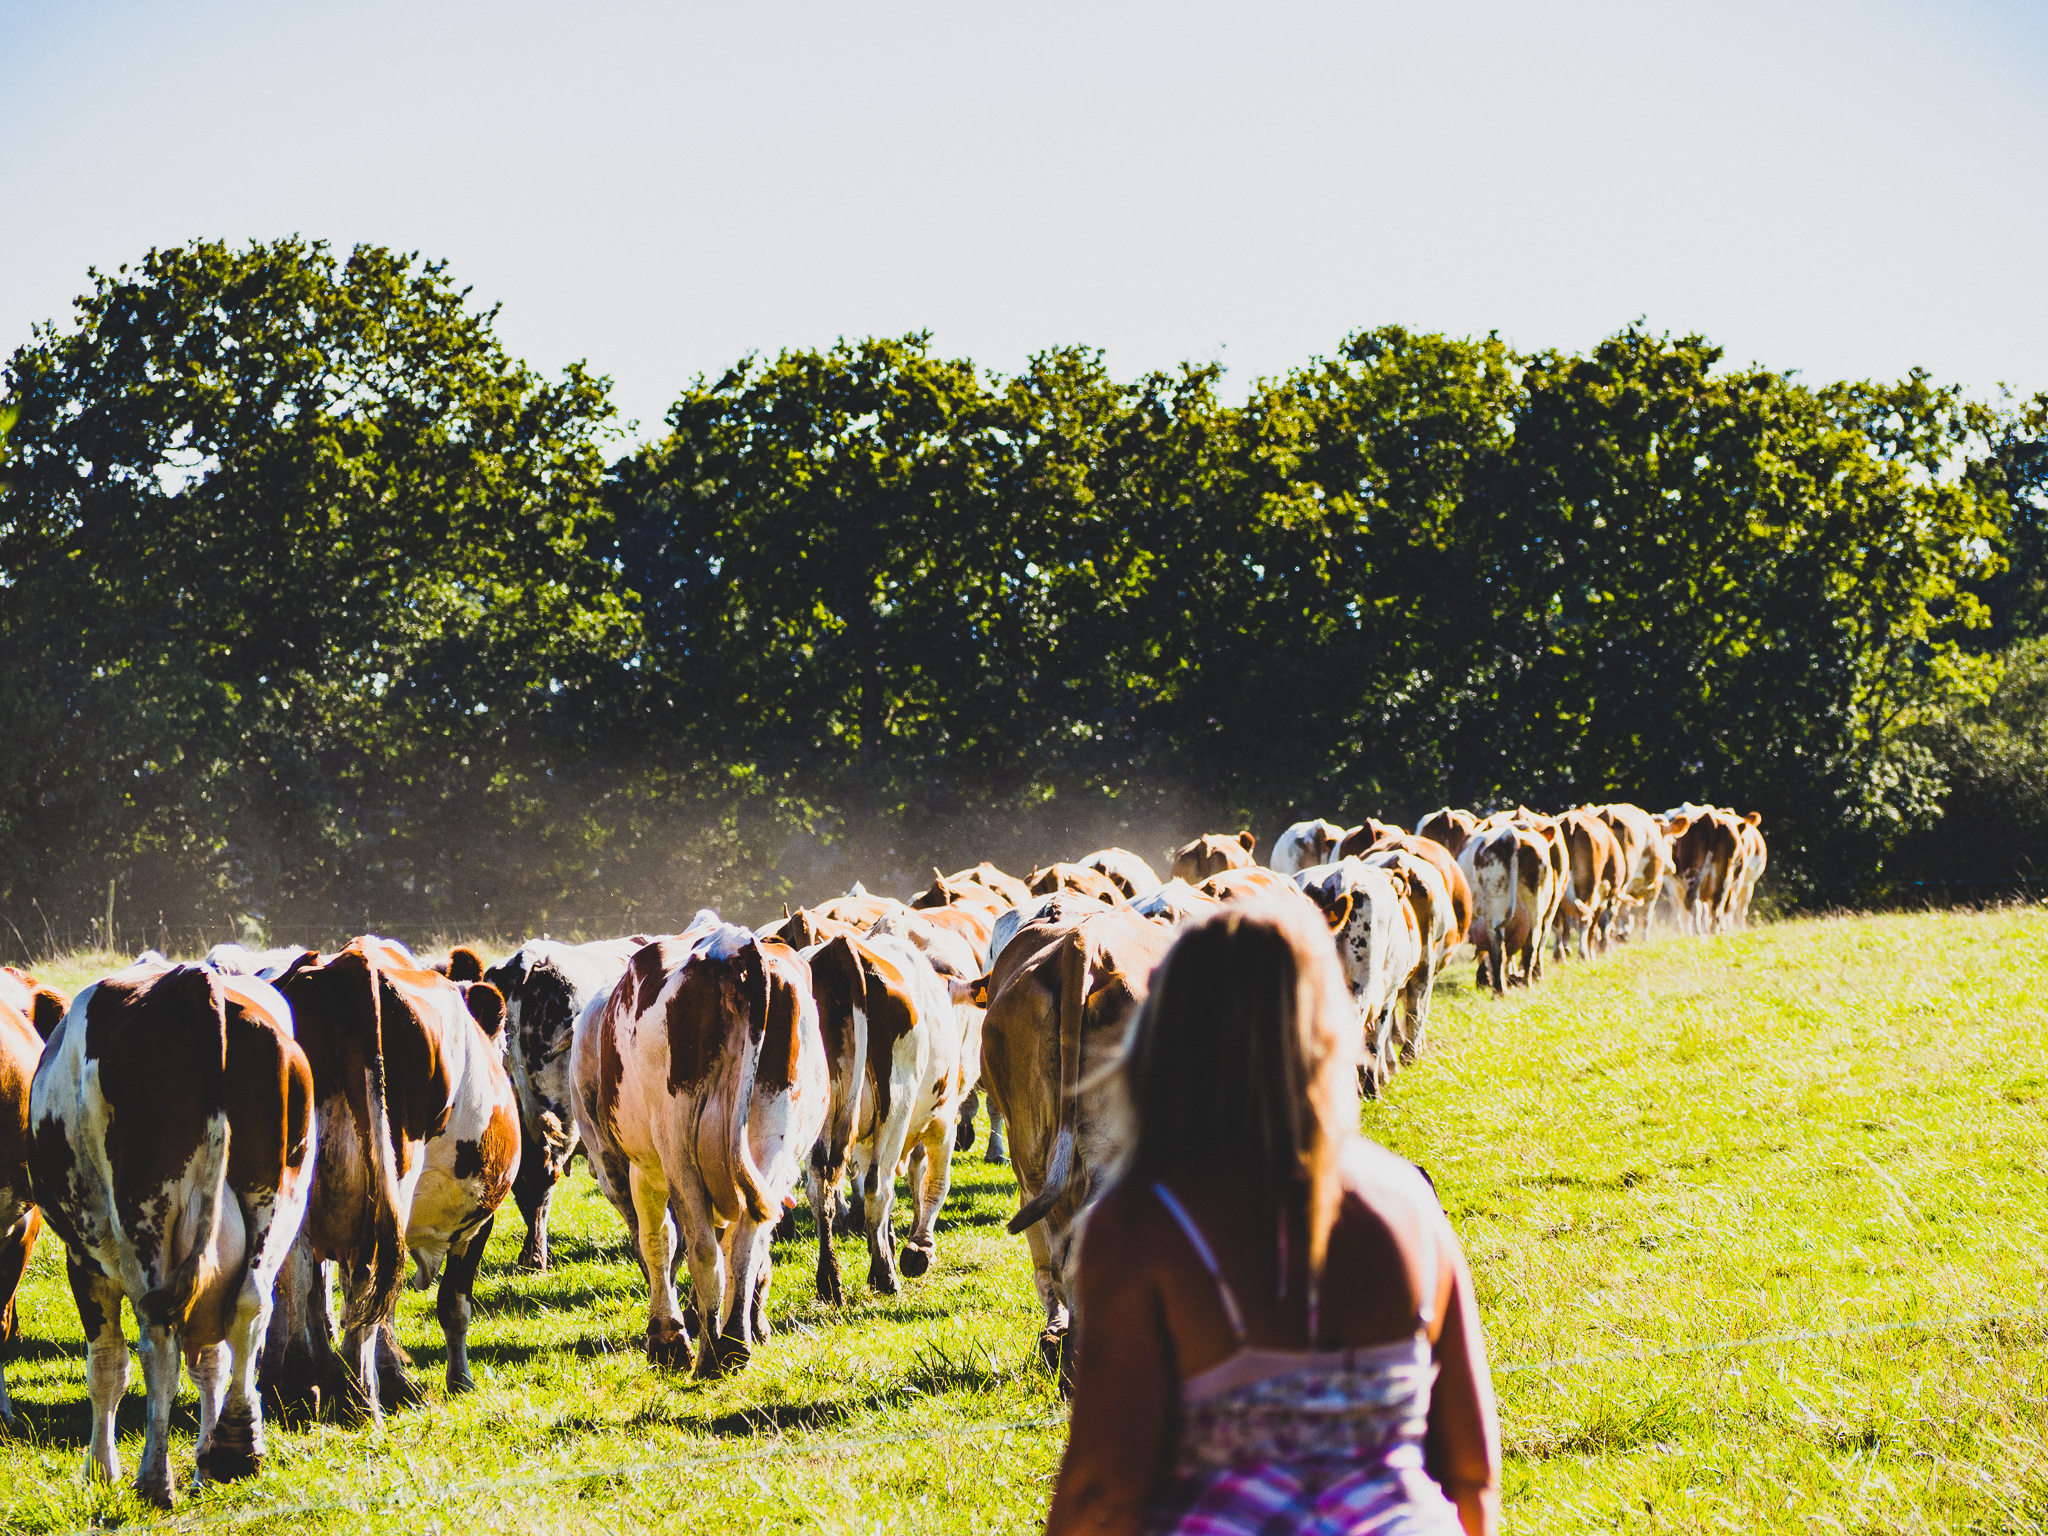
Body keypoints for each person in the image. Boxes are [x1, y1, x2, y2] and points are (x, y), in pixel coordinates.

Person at [1044, 899, 1501, 1536]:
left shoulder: (1145, 1224)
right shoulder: (1409, 1203)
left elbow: (1104, 1491)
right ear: (1328, 1028)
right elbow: (1473, 1474)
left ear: (1168, 1037)